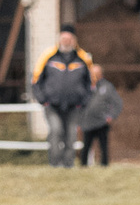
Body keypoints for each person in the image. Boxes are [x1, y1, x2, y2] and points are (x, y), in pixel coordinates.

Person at [30, 26, 93, 169]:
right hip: (52, 105)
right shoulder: (48, 56)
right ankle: (55, 164)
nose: (66, 41)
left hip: (74, 106)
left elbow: (91, 83)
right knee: (56, 131)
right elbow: (35, 80)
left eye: (69, 38)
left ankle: (68, 164)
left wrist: (83, 101)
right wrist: (43, 100)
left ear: (74, 40)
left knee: (71, 135)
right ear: (59, 39)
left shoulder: (83, 58)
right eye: (63, 38)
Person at [77, 63, 123, 167]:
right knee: (86, 145)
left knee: (103, 146)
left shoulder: (107, 87)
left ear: (101, 74)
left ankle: (104, 165)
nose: (94, 76)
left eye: (96, 74)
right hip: (87, 122)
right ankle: (83, 166)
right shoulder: (85, 87)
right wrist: (79, 121)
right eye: (92, 74)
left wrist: (111, 116)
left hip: (102, 122)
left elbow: (117, 103)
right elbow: (79, 105)